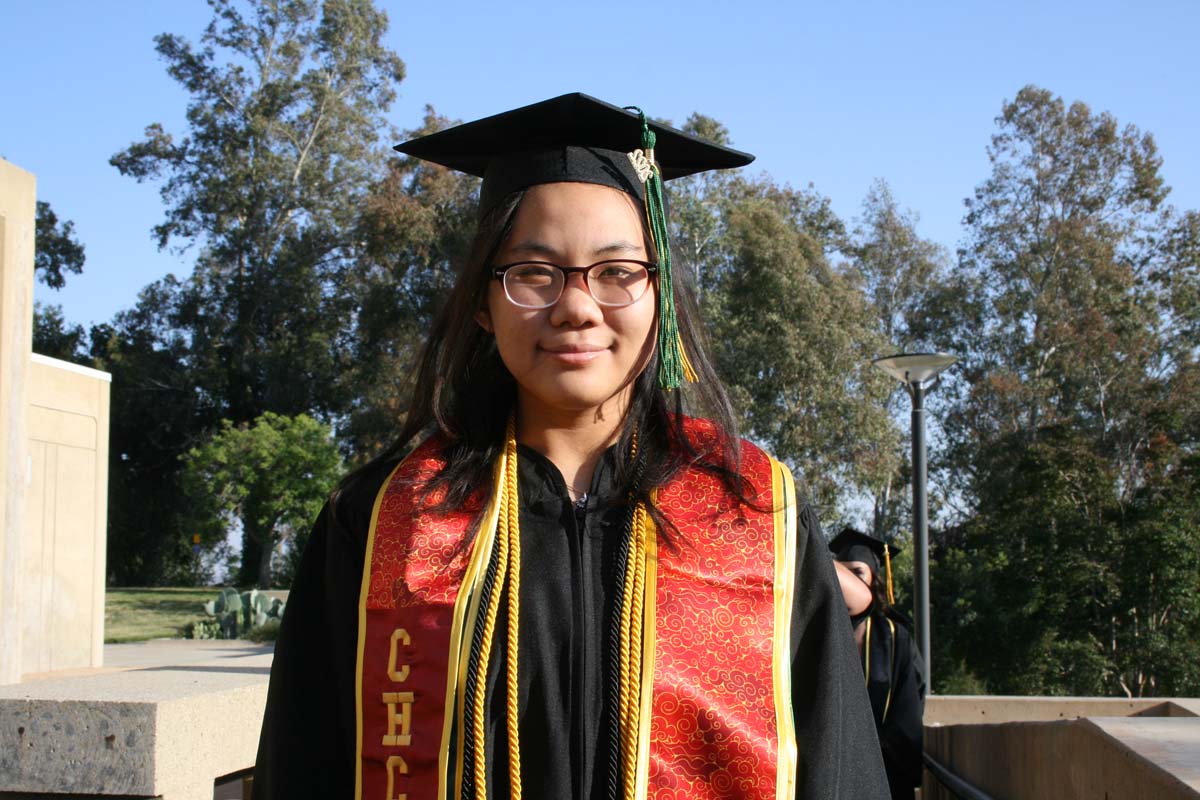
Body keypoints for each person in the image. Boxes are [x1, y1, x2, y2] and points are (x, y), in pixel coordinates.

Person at [252, 93, 888, 800]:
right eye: (533, 273)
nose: (577, 305)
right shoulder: (378, 522)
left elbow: (837, 766)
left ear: (661, 298)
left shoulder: (754, 514)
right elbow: (303, 763)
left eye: (617, 272)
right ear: (484, 306)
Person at [829, 528, 927, 800]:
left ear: (874, 579)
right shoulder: (820, 632)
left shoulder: (894, 639)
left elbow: (907, 713)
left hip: (884, 775)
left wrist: (866, 755)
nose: (847, 581)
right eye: (842, 572)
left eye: (857, 572)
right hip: (828, 772)